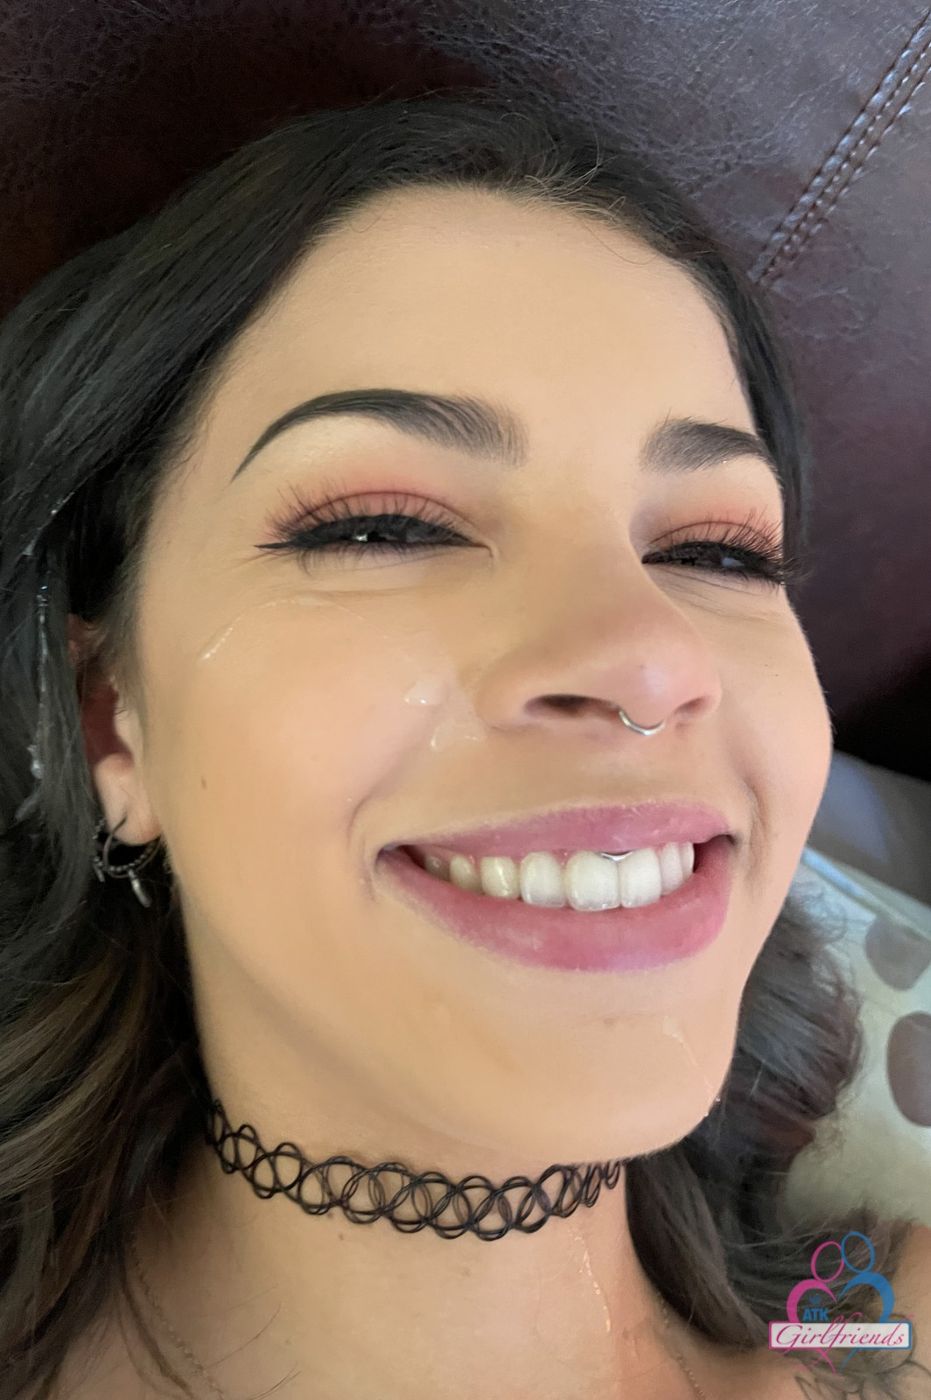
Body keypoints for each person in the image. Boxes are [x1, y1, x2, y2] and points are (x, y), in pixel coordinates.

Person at [0, 89, 928, 1400]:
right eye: (387, 527)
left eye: (717, 551)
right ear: (112, 719)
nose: (650, 657)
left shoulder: (878, 1337)